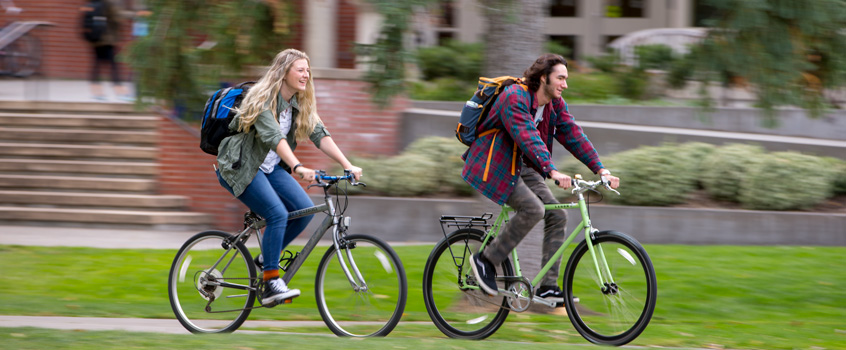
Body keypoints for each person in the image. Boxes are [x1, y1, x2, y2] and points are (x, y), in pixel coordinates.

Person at [465, 53, 620, 304]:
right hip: (496, 164)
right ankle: (485, 261)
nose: (565, 84)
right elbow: (526, 134)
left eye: (566, 79)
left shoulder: (553, 104)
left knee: (557, 214)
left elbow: (572, 133)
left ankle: (548, 286)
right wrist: (551, 170)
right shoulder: (514, 97)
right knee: (533, 209)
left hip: (523, 166)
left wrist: (600, 169)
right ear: (543, 77)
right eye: (560, 78)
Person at [216, 48, 362, 305]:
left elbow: (320, 134)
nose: (306, 75)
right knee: (277, 214)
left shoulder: (299, 103)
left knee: (304, 209)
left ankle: (266, 259)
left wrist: (346, 164)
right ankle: (271, 282)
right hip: (240, 168)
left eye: (308, 70)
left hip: (269, 169)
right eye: (300, 69)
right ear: (284, 72)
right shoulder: (262, 99)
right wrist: (297, 167)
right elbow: (274, 137)